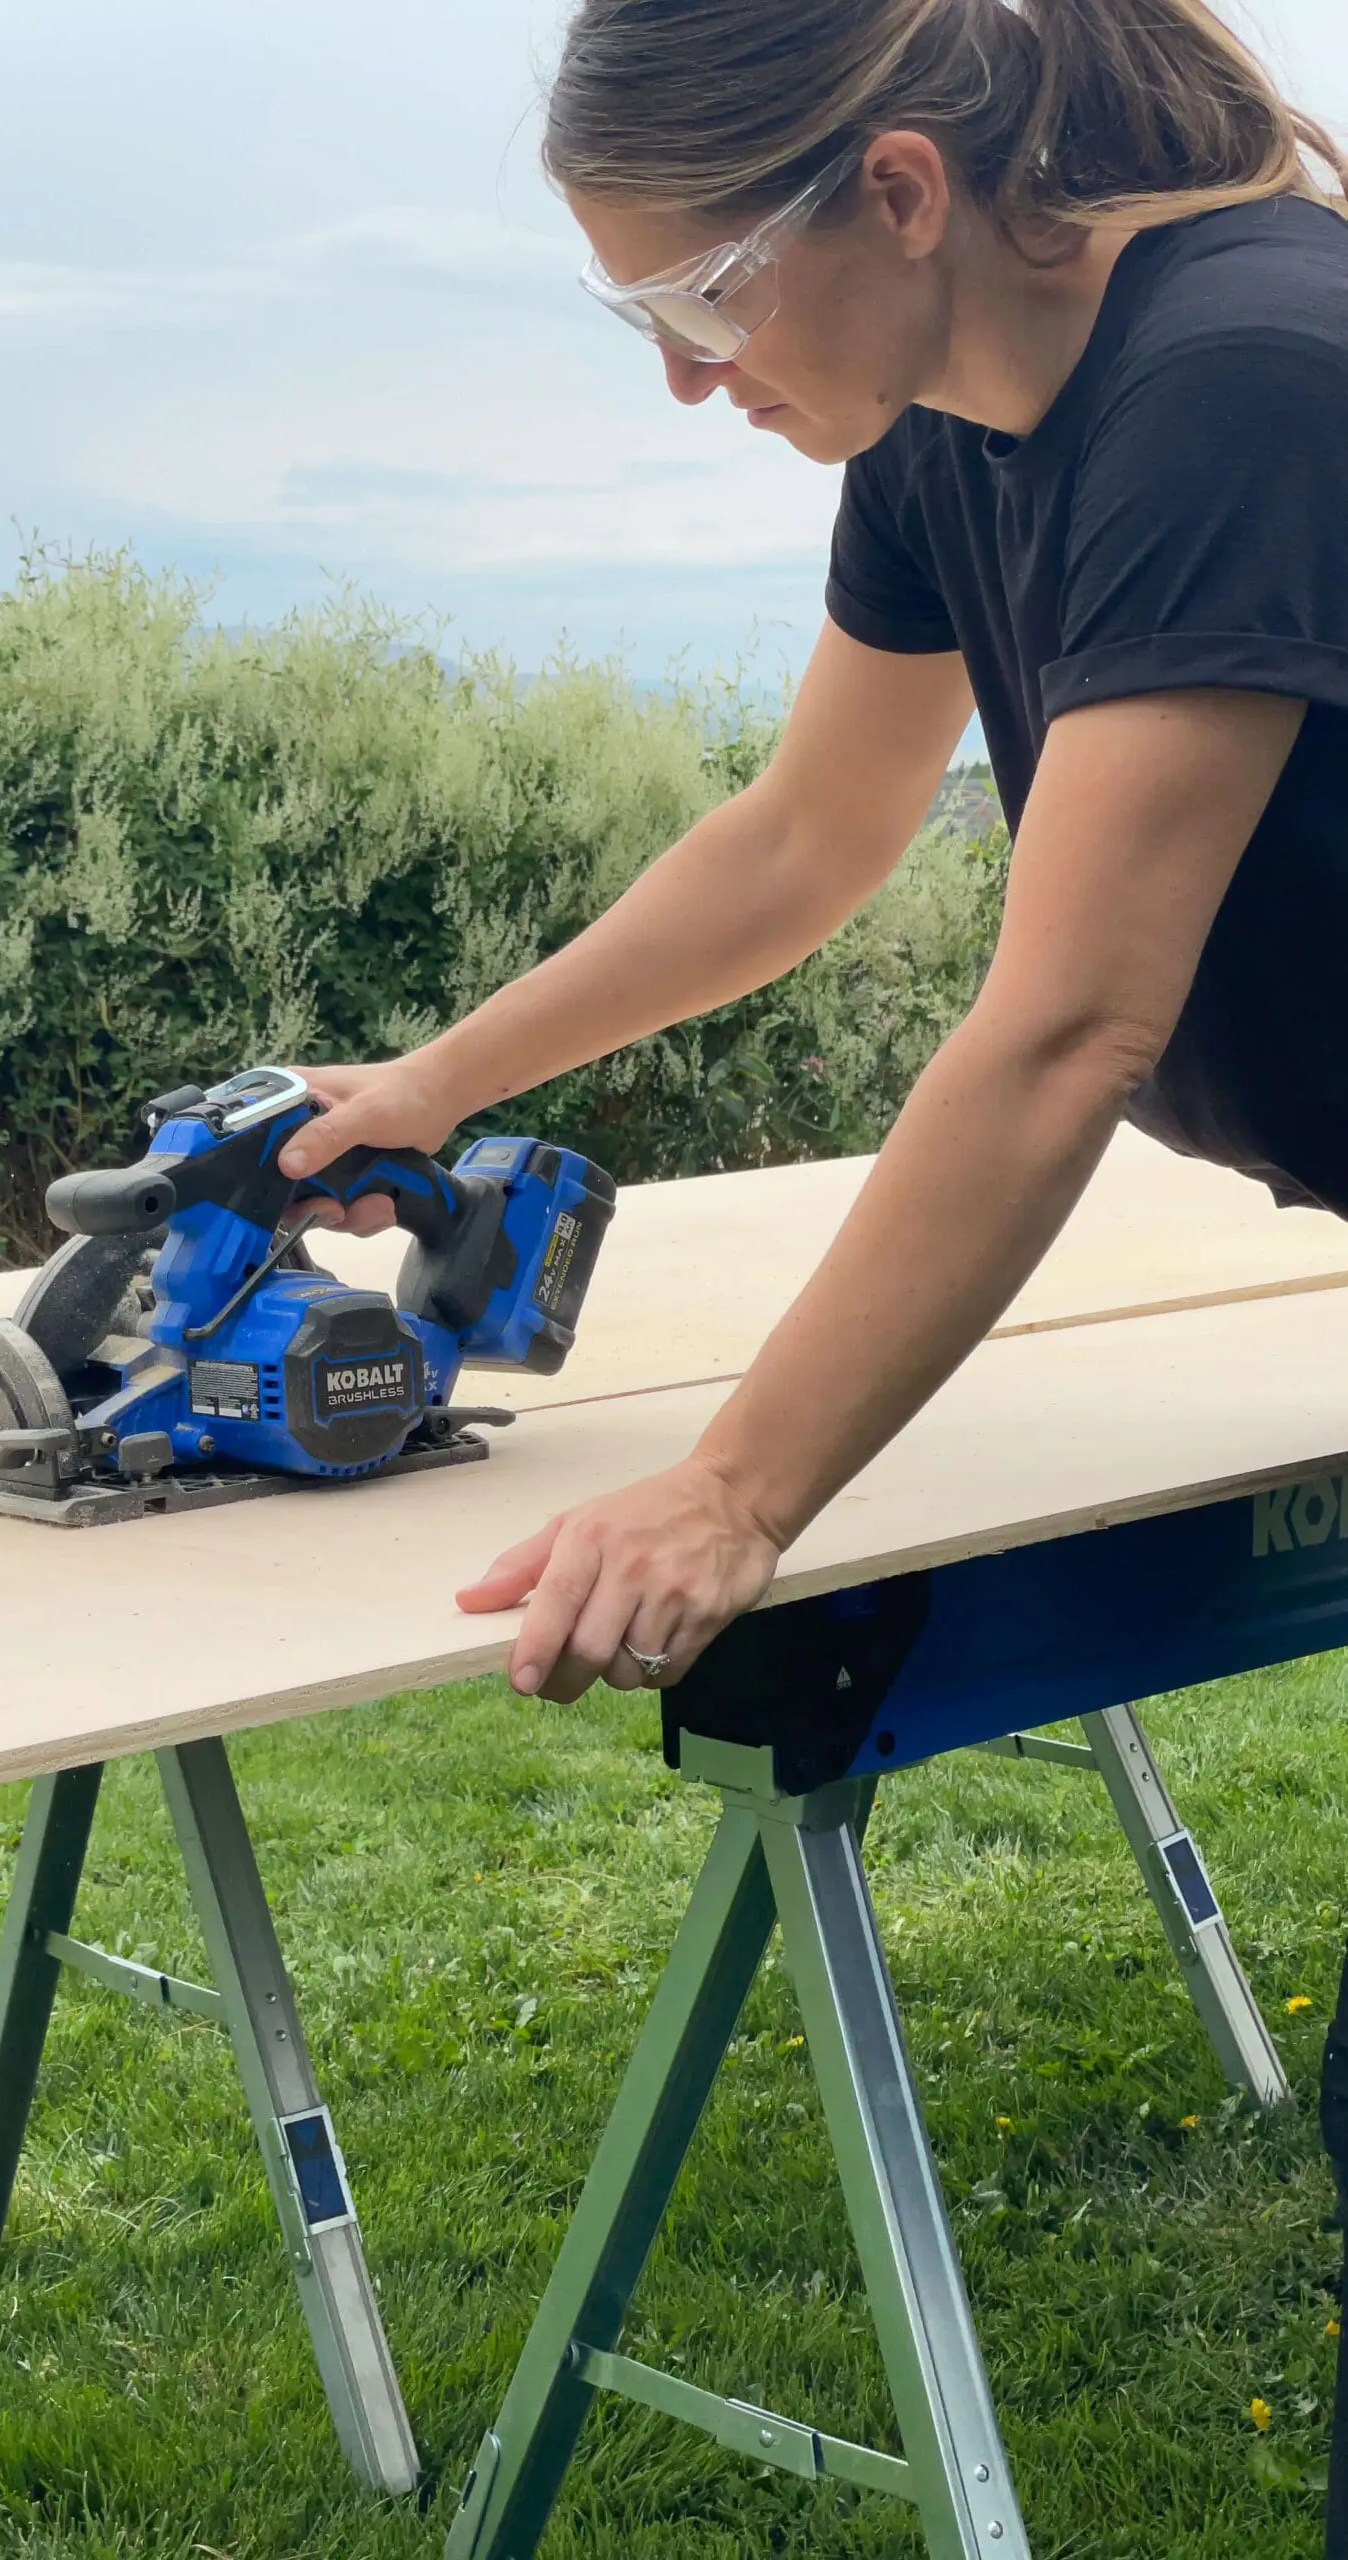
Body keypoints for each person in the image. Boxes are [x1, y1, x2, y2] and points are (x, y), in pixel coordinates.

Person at [276, 1, 1348, 2524]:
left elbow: (1067, 1017)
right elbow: (805, 838)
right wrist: (437, 1077)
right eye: (637, 320)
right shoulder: (954, 415)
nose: (683, 381)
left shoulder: (1245, 378)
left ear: (893, 191)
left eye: (704, 304)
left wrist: (738, 1487)